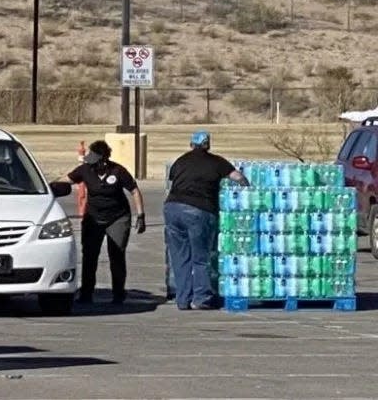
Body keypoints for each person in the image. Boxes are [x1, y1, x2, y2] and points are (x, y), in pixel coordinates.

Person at [165, 130, 249, 310]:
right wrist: (247, 189)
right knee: (200, 258)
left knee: (180, 257)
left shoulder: (180, 161)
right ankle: (201, 298)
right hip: (198, 210)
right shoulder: (216, 162)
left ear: (191, 144)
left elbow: (172, 181)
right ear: (208, 145)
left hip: (172, 208)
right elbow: (238, 177)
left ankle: (182, 300)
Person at [68, 140, 145, 305]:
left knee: (116, 255)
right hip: (93, 218)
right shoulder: (85, 169)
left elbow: (134, 190)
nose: (91, 162)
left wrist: (140, 215)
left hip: (118, 217)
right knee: (90, 255)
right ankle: (86, 293)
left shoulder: (118, 171)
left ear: (103, 159)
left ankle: (118, 293)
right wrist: (46, 187)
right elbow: (67, 179)